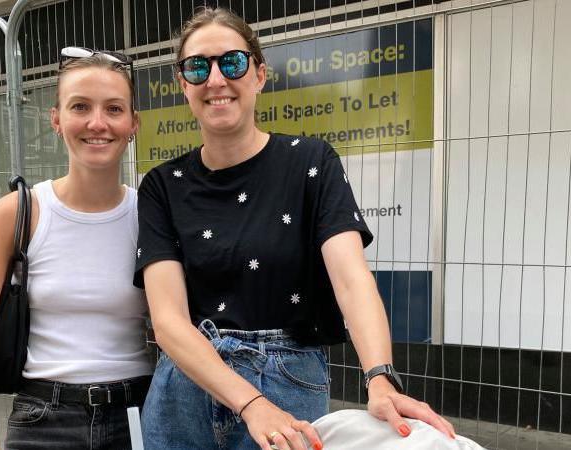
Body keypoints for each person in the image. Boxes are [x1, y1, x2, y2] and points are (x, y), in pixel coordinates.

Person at [134, 8, 456, 450]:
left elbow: (350, 278)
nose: (215, 79)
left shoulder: (311, 163)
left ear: (260, 74)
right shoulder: (161, 185)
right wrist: (251, 404)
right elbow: (168, 319)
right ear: (182, 84)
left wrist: (380, 378)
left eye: (232, 61)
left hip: (287, 380)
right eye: (197, 66)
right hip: (186, 388)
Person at [0, 49, 150, 450]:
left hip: (138, 416)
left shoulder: (152, 216)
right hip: (44, 420)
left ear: (133, 124)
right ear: (56, 119)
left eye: (114, 108)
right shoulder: (18, 214)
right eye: (80, 106)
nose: (97, 123)